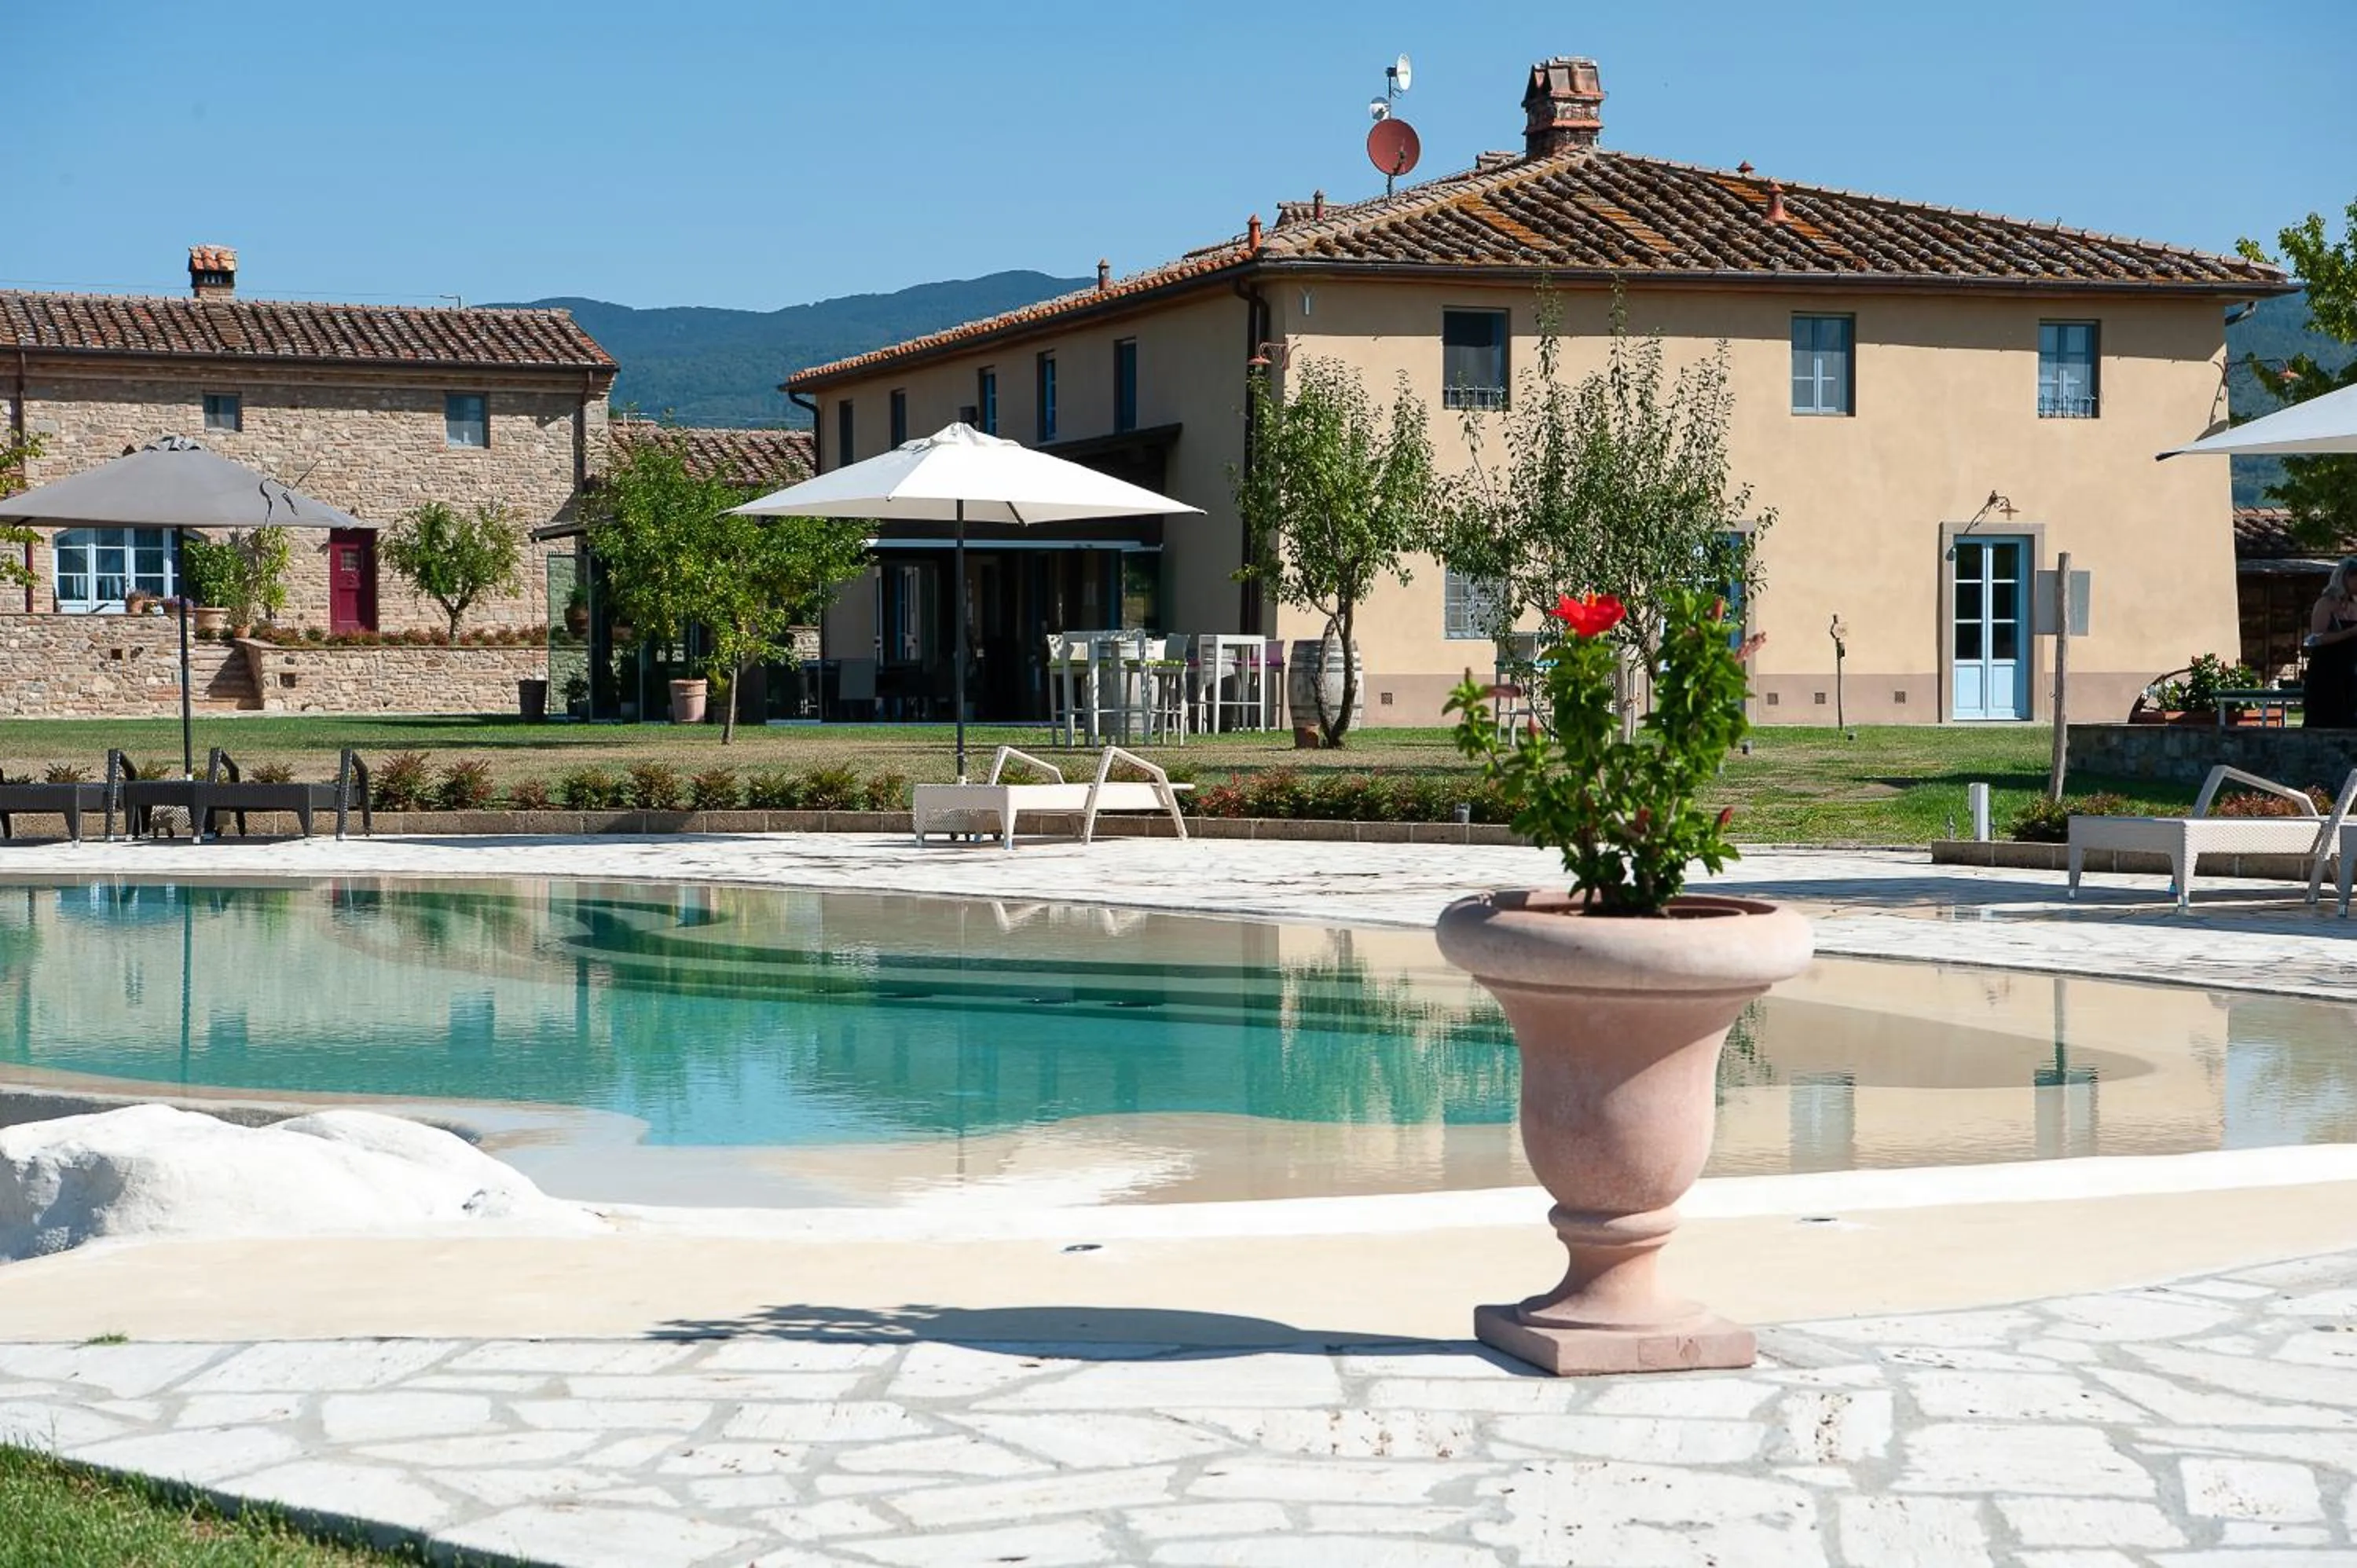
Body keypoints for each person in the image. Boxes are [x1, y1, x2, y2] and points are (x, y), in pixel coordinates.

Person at [2303, 557, 2357, 728]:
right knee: (2323, 719)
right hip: (2326, 670)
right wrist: (2351, 632)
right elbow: (2317, 638)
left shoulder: (2355, 605)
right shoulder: (2325, 603)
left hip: (2350, 671)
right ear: (2345, 577)